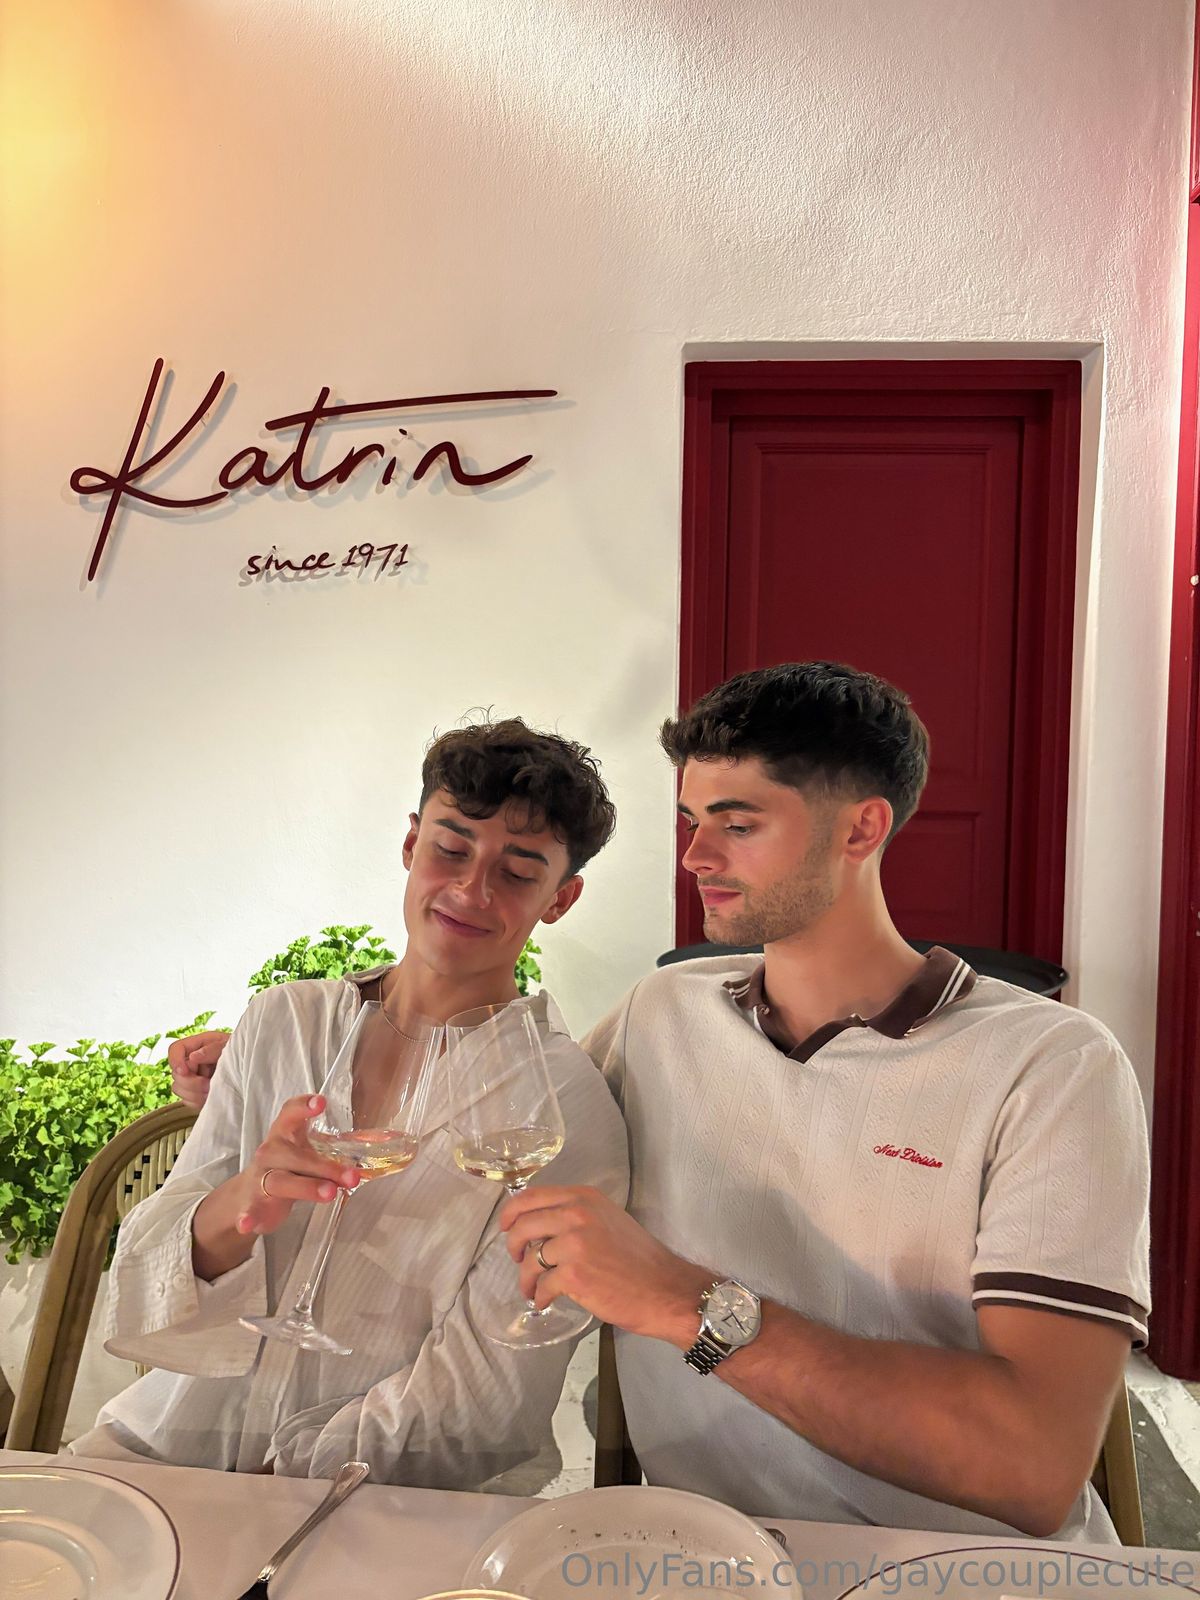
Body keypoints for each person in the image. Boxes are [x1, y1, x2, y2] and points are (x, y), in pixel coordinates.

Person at [500, 662, 1150, 1542]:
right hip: (707, 1559)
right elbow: (497, 1143)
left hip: (966, 1570)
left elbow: (1029, 1464)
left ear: (861, 829)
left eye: (738, 824)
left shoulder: (1052, 1066)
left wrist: (686, 1305)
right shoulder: (661, 1013)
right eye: (692, 822)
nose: (696, 857)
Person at [71, 719, 629, 1486]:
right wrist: (243, 1200)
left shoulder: (561, 1106)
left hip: (378, 1503)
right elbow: (144, 1274)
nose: (471, 890)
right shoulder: (283, 1022)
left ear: (560, 898)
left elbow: (488, 1401)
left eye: (517, 871)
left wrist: (275, 1482)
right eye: (451, 848)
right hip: (164, 1454)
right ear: (411, 844)